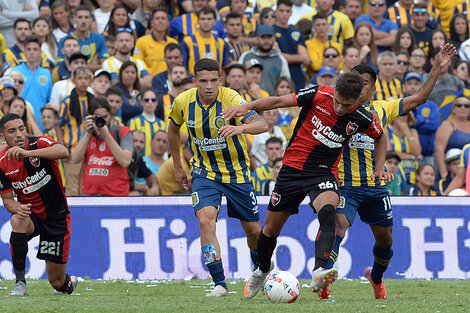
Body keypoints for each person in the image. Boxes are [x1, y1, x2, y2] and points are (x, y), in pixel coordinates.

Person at [223, 71, 389, 299]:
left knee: (329, 209)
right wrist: (247, 107)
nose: (339, 108)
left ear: (357, 99)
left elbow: (380, 136)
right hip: (291, 171)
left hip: (323, 173)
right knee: (270, 230)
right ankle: (262, 269)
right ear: (334, 92)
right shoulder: (319, 93)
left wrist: (379, 167)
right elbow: (279, 101)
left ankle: (320, 270)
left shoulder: (362, 117)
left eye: (346, 105)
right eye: (337, 102)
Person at [321, 44, 455, 300]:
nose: (359, 88)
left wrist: (436, 68)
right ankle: (323, 280)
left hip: (374, 185)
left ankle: (376, 277)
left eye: (365, 84)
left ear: (373, 89)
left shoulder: (383, 109)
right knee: (338, 227)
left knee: (386, 241)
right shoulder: (336, 108)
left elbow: (419, 99)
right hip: (345, 184)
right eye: (355, 83)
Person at [168, 58, 268, 297]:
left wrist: (240, 128)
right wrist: (178, 166)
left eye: (214, 80)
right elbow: (172, 129)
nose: (209, 86)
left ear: (221, 80)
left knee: (253, 231)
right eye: (203, 81)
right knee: (205, 220)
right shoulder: (183, 101)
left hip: (237, 173)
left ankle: (260, 270)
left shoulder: (232, 98)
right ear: (195, 82)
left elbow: (262, 124)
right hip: (204, 172)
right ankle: (219, 284)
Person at [0, 113, 78, 296]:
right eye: (12, 131)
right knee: (18, 221)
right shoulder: (2, 163)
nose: (19, 134)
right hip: (32, 216)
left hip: (56, 216)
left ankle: (69, 283)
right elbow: (8, 200)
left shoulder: (39, 143)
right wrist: (17, 208)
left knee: (56, 283)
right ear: (3, 137)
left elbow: (63, 152)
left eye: (21, 128)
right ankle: (20, 284)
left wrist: (27, 154)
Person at [71, 97, 133, 196]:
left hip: (116, 195)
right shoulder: (88, 132)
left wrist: (107, 136)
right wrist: (88, 133)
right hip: (89, 194)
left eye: (105, 117)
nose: (103, 120)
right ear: (90, 117)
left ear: (110, 115)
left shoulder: (123, 132)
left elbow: (125, 162)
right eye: (98, 117)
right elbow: (75, 159)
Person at [56, 66, 94, 196]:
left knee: (85, 187)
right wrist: (62, 147)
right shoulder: (66, 101)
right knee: (72, 187)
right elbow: (58, 125)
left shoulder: (93, 101)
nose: (83, 81)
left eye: (86, 78)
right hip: (72, 150)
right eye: (80, 78)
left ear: (90, 81)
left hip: (89, 151)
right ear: (73, 80)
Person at [12, 35, 52, 130]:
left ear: (40, 52)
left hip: (41, 125)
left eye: (35, 49)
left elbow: (49, 101)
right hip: (19, 124)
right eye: (28, 49)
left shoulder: (46, 74)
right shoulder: (14, 73)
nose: (31, 52)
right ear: (24, 52)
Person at [239, 25, 290, 95]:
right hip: (246, 101)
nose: (266, 41)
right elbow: (238, 77)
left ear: (274, 39)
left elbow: (286, 84)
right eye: (263, 37)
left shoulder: (281, 60)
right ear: (257, 39)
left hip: (272, 102)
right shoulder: (246, 56)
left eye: (269, 37)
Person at [56, 6, 109, 73]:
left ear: (91, 20)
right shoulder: (64, 40)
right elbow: (61, 67)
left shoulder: (99, 38)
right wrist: (93, 65)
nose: (83, 21)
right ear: (74, 19)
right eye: (80, 17)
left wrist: (75, 65)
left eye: (86, 17)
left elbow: (104, 66)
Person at [181, 6, 230, 76]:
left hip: (216, 85)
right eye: (203, 19)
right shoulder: (188, 42)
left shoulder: (221, 43)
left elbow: (224, 69)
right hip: (194, 84)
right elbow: (183, 67)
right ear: (197, 21)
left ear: (215, 21)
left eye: (209, 19)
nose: (206, 22)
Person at [404, 72, 440, 166]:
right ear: (404, 86)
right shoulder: (400, 103)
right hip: (406, 154)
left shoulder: (431, 105)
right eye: (409, 83)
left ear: (422, 85)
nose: (413, 86)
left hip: (427, 154)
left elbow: (434, 125)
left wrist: (413, 122)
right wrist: (424, 120)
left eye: (416, 84)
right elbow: (399, 125)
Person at [273, 0, 310, 91]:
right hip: (278, 77)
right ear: (276, 11)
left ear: (291, 12)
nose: (284, 14)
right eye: (281, 11)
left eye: (287, 11)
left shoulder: (296, 31)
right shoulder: (270, 31)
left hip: (297, 78)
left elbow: (305, 59)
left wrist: (285, 56)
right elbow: (277, 56)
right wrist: (298, 58)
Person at [134, 9, 178, 77]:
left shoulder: (174, 43)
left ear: (168, 23)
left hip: (171, 82)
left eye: (163, 18)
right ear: (152, 23)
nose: (160, 21)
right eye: (157, 18)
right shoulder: (141, 41)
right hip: (149, 83)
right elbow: (137, 63)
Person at [435, 97, 470, 180]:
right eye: (459, 105)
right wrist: (444, 173)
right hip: (452, 172)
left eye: (466, 106)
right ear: (453, 109)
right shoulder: (447, 125)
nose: (463, 108)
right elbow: (439, 150)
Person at [128, 88, 167, 156]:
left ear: (157, 102)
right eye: (146, 100)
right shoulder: (133, 122)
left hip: (158, 165)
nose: (150, 102)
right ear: (141, 102)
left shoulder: (163, 124)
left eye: (153, 100)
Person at [128, 130, 160, 196]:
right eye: (135, 141)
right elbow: (121, 184)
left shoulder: (137, 158)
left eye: (141, 142)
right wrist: (144, 189)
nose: (138, 145)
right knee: (135, 194)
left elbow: (151, 177)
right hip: (109, 194)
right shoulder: (120, 154)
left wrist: (155, 186)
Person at [115, 61, 142, 125]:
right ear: (121, 74)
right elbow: (126, 109)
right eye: (127, 72)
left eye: (133, 72)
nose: (130, 75)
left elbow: (147, 108)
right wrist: (138, 105)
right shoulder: (116, 90)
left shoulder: (140, 92)